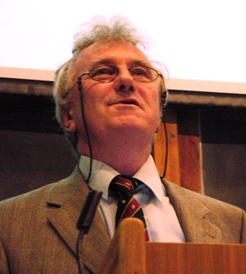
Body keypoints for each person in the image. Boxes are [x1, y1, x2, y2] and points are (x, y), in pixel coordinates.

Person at [0, 16, 245, 274]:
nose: (127, 81)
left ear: (158, 116)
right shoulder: (9, 225)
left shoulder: (232, 224)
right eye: (103, 72)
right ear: (69, 116)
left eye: (140, 73)